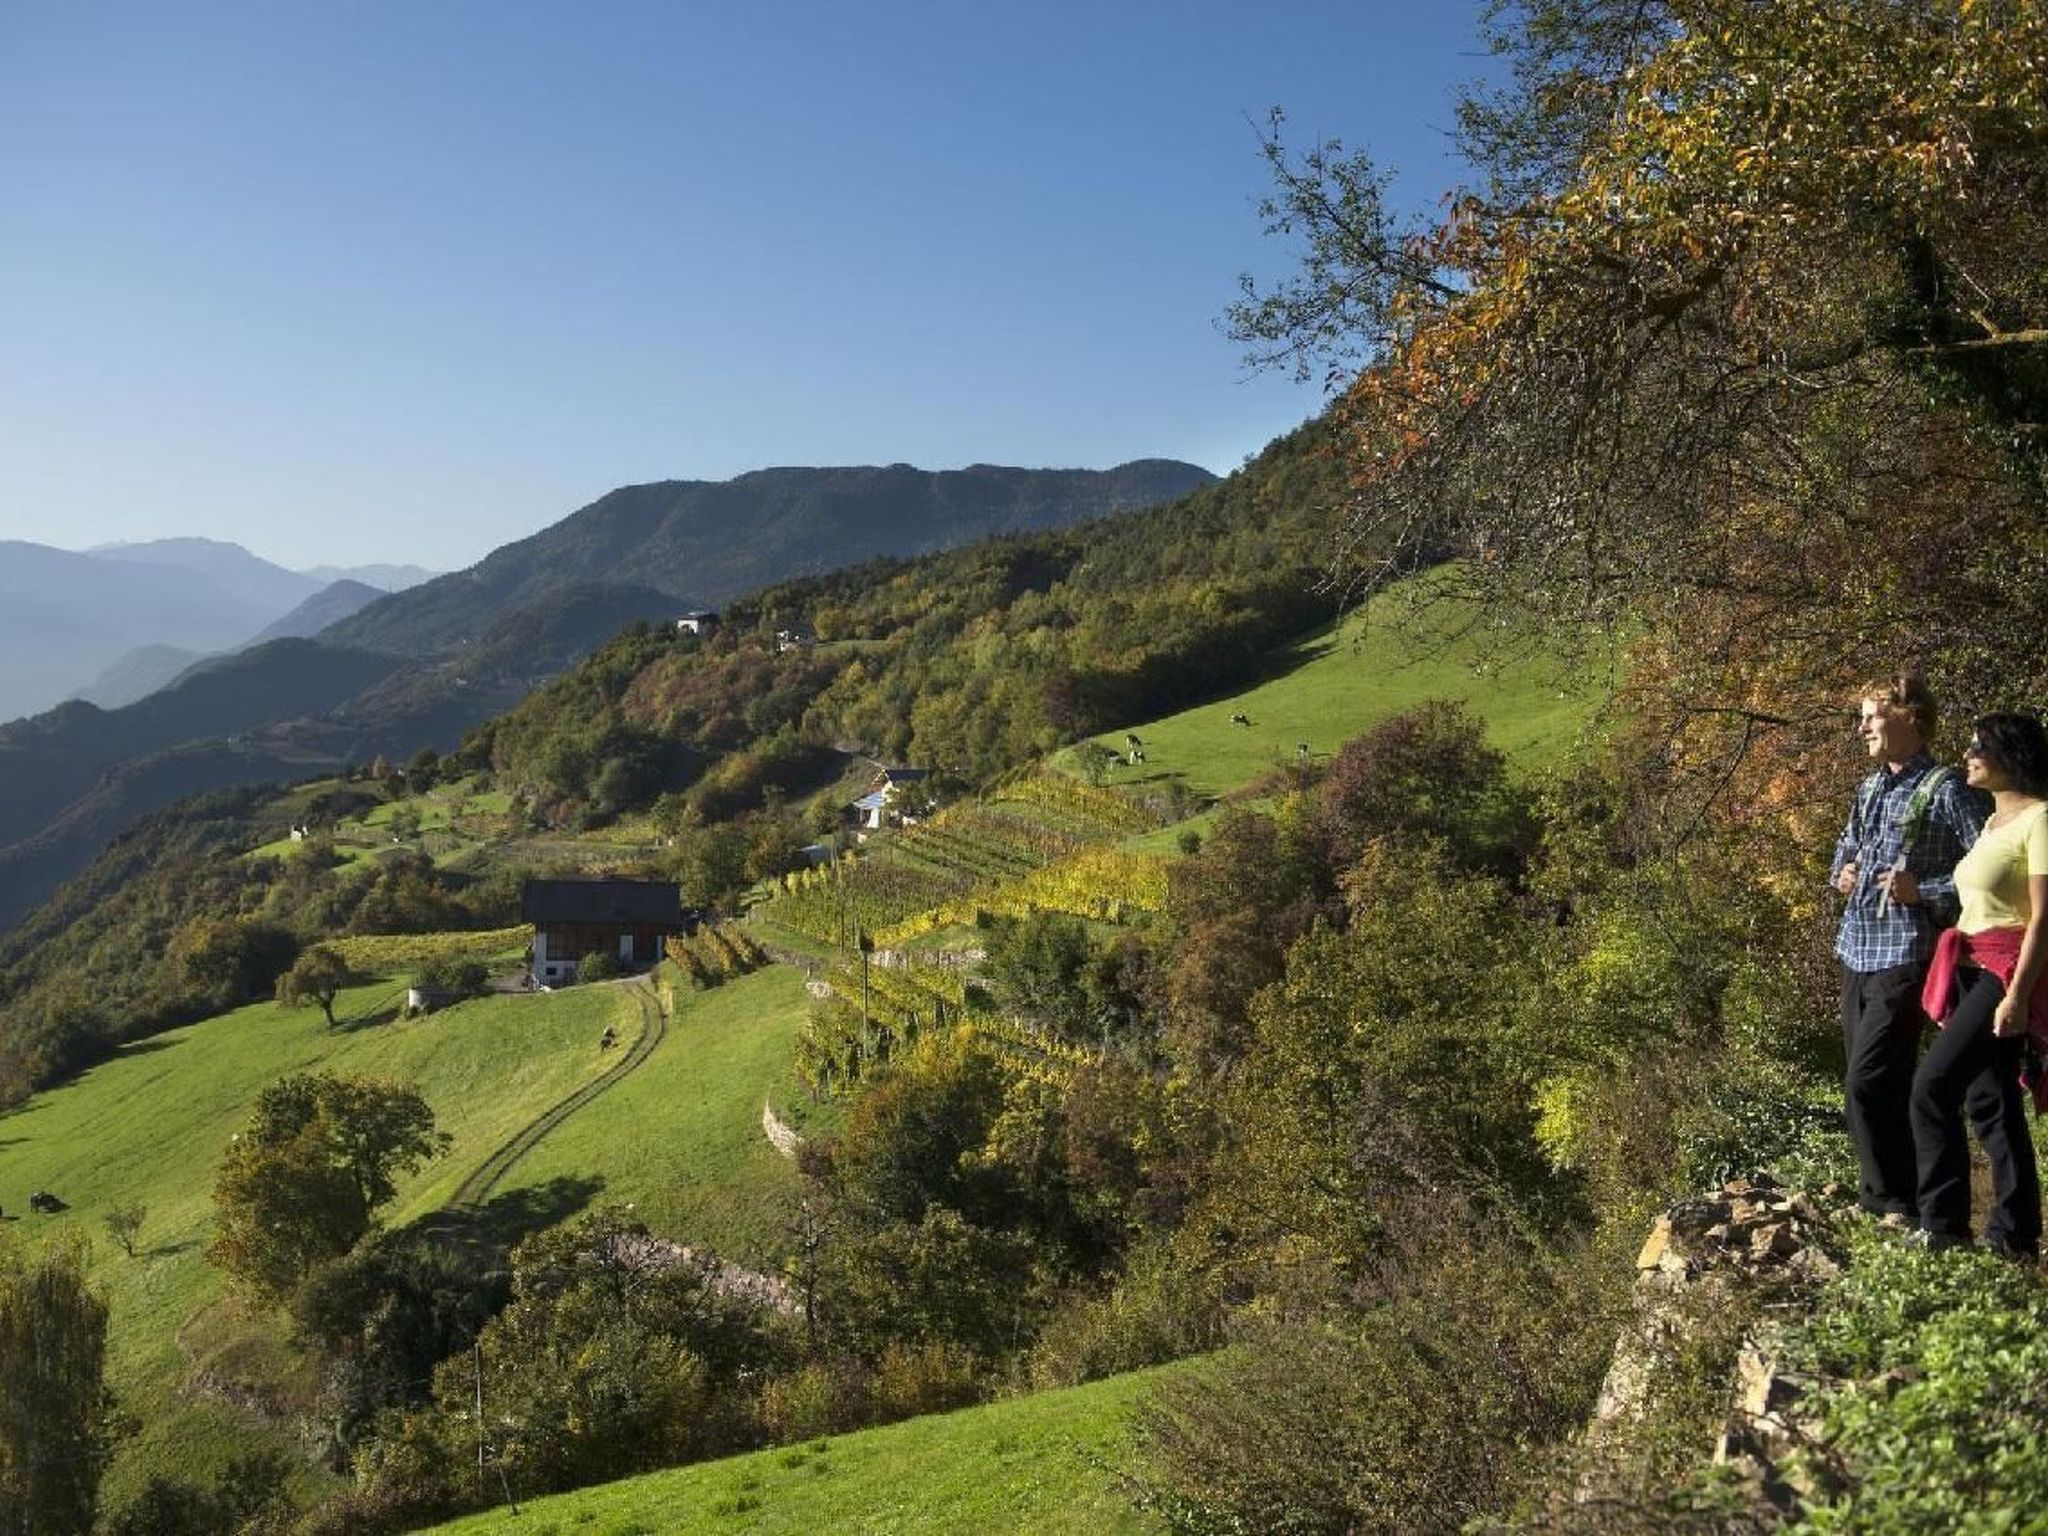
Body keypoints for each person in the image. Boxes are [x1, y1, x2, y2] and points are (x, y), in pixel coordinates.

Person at [1828, 673, 1987, 1224]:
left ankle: (1887, 1202)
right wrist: (1841, 873)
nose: (1863, 726)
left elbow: (1986, 867)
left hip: (1905, 951)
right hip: (1856, 948)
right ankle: (1908, 1203)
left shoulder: (1947, 788)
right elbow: (1845, 846)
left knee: (1867, 1081)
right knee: (1873, 1082)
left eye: (1873, 715)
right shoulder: (1869, 787)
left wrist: (1927, 890)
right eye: (1862, 717)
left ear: (1909, 716)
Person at [1911, 713, 2048, 1259]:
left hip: (2004, 973)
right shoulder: (1991, 825)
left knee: (1931, 1086)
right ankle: (2015, 1236)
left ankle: (1943, 1230)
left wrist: (2017, 996)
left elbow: (2042, 918)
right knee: (1990, 1101)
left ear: (2009, 756)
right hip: (1970, 967)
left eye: (1979, 746)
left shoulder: (2040, 821)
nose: (1967, 753)